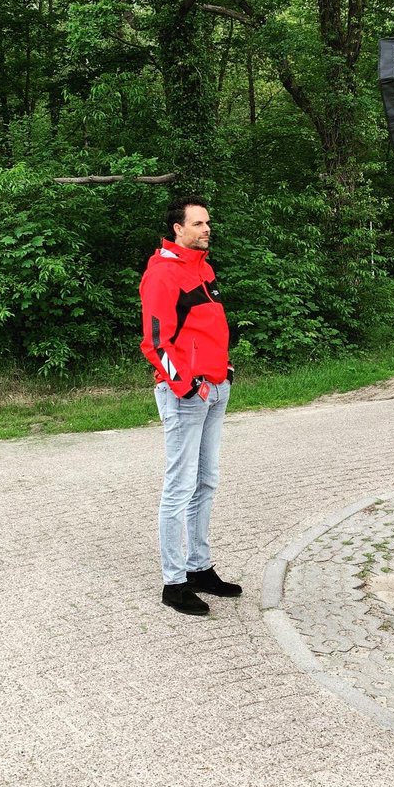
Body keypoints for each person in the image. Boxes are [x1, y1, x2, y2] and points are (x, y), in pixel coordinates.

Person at [140, 197, 240, 616]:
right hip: (187, 395)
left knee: (206, 481)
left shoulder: (204, 269)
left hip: (216, 388)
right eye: (198, 223)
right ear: (177, 229)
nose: (206, 228)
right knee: (179, 487)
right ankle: (174, 582)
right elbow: (155, 342)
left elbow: (210, 327)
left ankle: (199, 568)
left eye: (208, 222)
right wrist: (185, 385)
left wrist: (225, 368)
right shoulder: (163, 274)